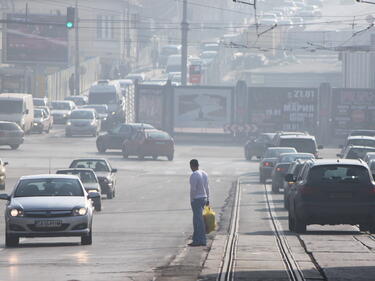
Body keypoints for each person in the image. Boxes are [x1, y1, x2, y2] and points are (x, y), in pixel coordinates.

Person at [188, 159, 209, 247]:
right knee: (200, 220)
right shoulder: (204, 173)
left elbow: (193, 189)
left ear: (191, 166)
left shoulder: (194, 175)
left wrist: (192, 200)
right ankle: (197, 239)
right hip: (204, 198)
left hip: (196, 199)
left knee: (197, 221)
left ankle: (200, 240)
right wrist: (208, 198)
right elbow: (207, 187)